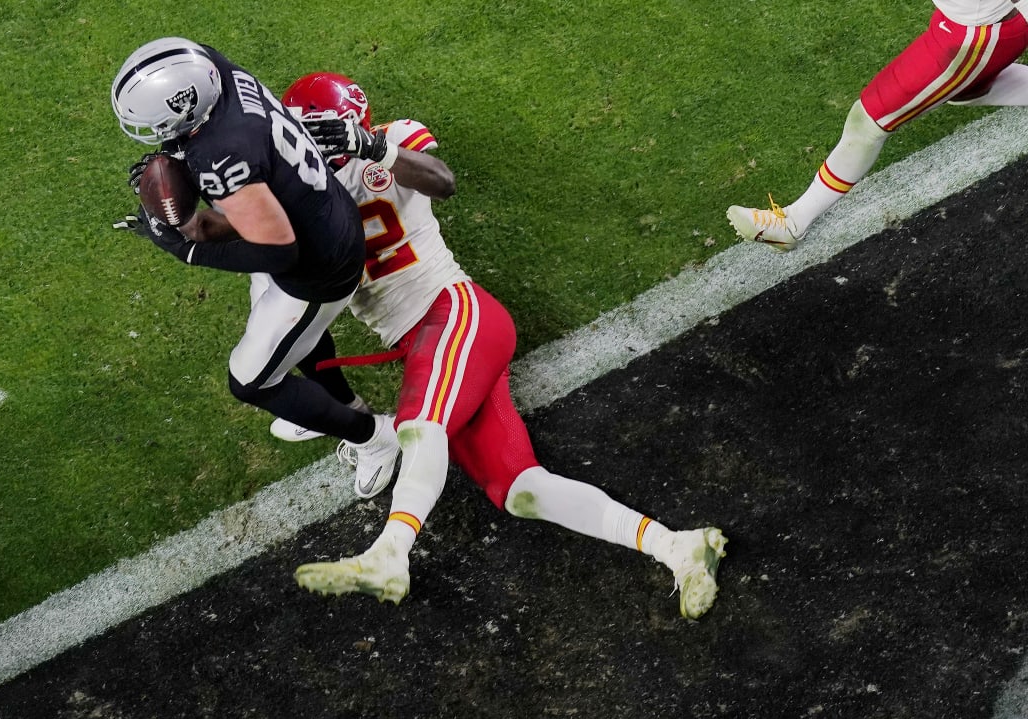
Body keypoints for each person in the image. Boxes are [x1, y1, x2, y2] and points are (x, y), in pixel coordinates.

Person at [279, 72, 728, 619]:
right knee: (521, 490)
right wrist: (189, 235)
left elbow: (441, 181)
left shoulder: (389, 142)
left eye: (320, 134)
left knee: (420, 426)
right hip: (421, 343)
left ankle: (389, 553)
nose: (309, 146)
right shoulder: (295, 195)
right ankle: (679, 547)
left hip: (454, 313)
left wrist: (371, 147)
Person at [109, 38, 400, 492]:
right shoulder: (214, 69)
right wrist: (182, 164)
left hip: (315, 265)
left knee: (251, 381)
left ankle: (376, 437)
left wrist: (188, 248)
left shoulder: (223, 157)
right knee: (295, 339)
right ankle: (341, 404)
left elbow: (277, 252)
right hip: (311, 206)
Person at [727, 0, 1028, 251]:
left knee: (868, 122)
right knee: (966, 91)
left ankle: (792, 223)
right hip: (978, 23)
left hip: (977, 34)